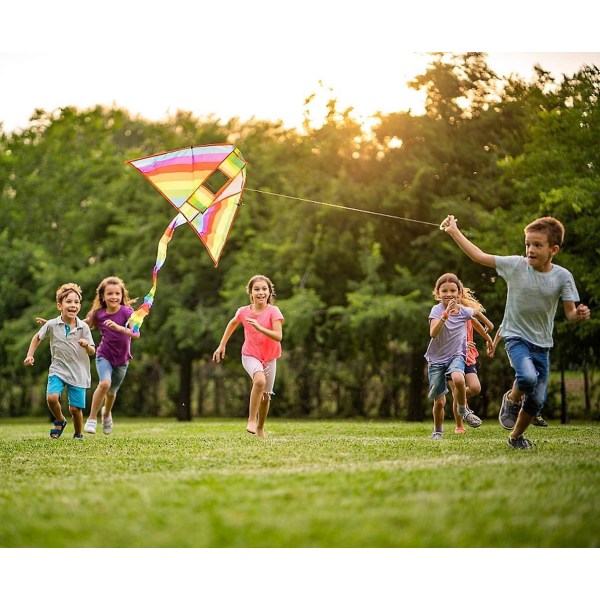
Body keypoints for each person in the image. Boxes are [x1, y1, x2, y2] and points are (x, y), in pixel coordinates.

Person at [441, 215, 590, 449]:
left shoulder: (562, 277)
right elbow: (479, 256)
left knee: (537, 400)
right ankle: (511, 400)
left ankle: (515, 437)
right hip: (515, 336)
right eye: (528, 244)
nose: (530, 249)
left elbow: (570, 312)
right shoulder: (516, 265)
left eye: (537, 245)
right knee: (528, 377)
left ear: (554, 249)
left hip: (542, 343)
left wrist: (578, 314)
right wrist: (454, 231)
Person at [212, 275, 284, 437]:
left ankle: (260, 427)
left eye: (264, 289)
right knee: (259, 381)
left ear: (269, 292)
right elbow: (233, 323)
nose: (261, 292)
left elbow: (278, 336)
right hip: (250, 354)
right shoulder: (244, 312)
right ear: (250, 293)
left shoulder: (273, 311)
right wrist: (222, 345)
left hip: (270, 357)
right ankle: (251, 420)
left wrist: (259, 327)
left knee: (266, 396)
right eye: (256, 289)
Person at [24, 283, 96, 439]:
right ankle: (60, 419)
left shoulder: (83, 327)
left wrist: (86, 345)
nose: (73, 305)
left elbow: (92, 350)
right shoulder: (52, 324)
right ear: (59, 305)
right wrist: (30, 355)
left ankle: (78, 434)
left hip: (78, 372)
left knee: (75, 409)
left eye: (76, 302)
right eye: (68, 302)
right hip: (58, 369)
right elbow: (37, 337)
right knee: (51, 398)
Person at [425, 273, 490, 439]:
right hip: (437, 360)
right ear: (437, 293)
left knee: (459, 379)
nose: (449, 294)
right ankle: (438, 431)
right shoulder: (436, 310)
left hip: (456, 355)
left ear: (459, 293)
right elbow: (433, 333)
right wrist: (443, 317)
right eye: (444, 290)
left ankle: (462, 409)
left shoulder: (462, 311)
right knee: (439, 402)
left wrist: (489, 326)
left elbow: (475, 314)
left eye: (453, 290)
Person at [83, 276, 139, 435]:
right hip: (104, 355)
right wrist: (58, 324)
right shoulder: (98, 314)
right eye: (110, 294)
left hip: (122, 360)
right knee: (105, 384)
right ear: (103, 296)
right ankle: (92, 419)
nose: (114, 297)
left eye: (117, 294)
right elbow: (81, 324)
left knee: (112, 392)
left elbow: (136, 334)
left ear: (122, 296)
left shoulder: (128, 312)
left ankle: (106, 414)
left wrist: (119, 328)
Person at [450, 287, 495, 434]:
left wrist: (489, 339)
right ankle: (459, 425)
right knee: (456, 388)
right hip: (450, 356)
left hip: (467, 356)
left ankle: (462, 404)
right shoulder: (444, 313)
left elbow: (475, 322)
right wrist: (461, 343)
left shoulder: (465, 311)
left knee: (475, 388)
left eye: (455, 292)